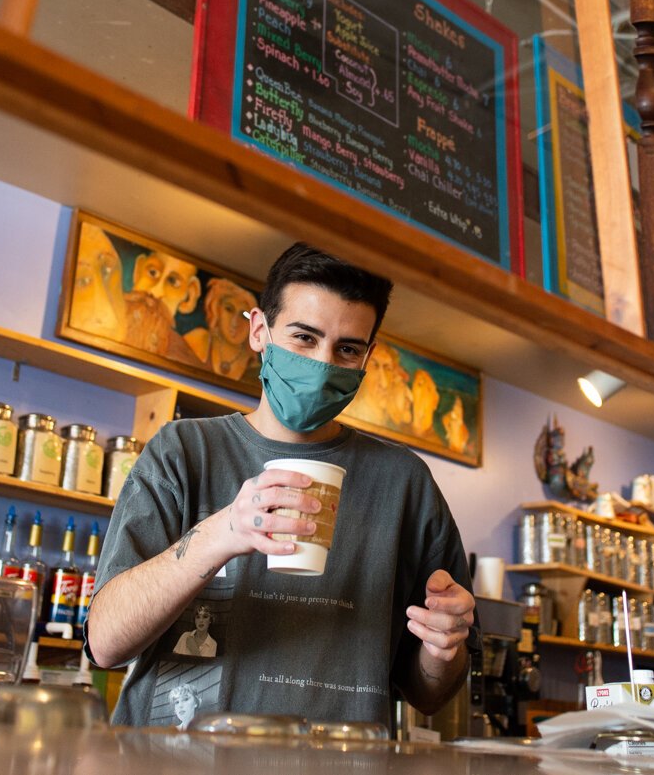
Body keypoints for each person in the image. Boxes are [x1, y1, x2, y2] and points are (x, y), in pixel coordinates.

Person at [86, 243, 476, 727]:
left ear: (367, 358)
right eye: (304, 338)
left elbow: (430, 694)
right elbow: (105, 644)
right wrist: (222, 533)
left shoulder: (405, 483)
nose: (323, 363)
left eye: (347, 349)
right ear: (259, 332)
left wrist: (443, 648)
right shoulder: (183, 451)